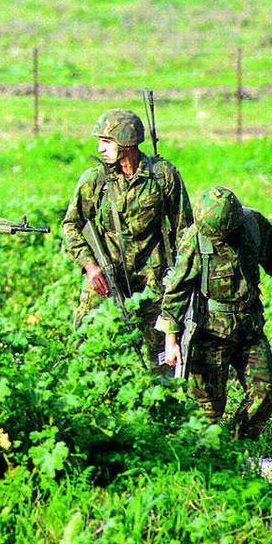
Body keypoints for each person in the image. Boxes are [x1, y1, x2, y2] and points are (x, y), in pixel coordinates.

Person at [158, 186, 272, 438]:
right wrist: (171, 339)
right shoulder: (195, 239)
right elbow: (177, 289)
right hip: (209, 333)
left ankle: (240, 447)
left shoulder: (252, 225)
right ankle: (206, 459)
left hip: (248, 326)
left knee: (264, 389)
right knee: (207, 409)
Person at [61, 108, 192, 364]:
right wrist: (90, 266)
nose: (100, 149)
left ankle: (161, 400)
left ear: (127, 143)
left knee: (163, 357)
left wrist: (180, 279)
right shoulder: (94, 179)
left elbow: (184, 230)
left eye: (106, 142)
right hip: (106, 276)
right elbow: (71, 225)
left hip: (152, 280)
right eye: (99, 142)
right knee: (83, 342)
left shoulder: (163, 176)